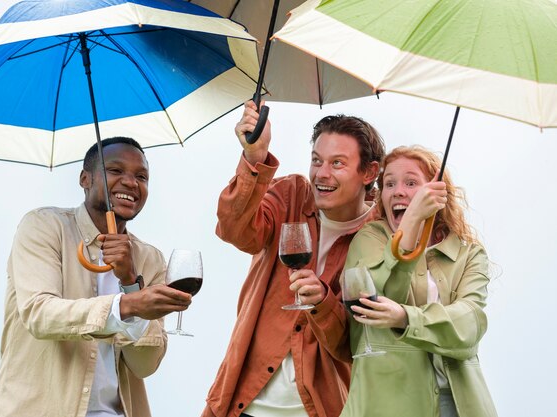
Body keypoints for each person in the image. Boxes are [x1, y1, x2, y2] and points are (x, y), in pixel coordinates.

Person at [202, 101, 386, 417]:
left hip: (322, 409)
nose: (322, 174)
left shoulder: (378, 239)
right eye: (317, 160)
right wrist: (254, 157)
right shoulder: (291, 194)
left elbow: (352, 343)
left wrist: (322, 302)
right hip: (243, 404)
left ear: (369, 171)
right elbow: (235, 230)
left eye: (338, 163)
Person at [0, 137, 192, 417]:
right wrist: (127, 306)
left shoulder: (150, 258)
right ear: (85, 179)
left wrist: (131, 282)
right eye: (116, 170)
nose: (131, 183)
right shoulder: (43, 227)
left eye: (141, 176)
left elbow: (145, 365)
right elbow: (39, 314)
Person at [338, 146, 498, 417]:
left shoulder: (468, 253)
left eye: (411, 183)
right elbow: (376, 296)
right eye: (389, 183)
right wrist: (411, 220)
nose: (398, 191)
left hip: (460, 406)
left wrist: (405, 318)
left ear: (437, 192)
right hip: (384, 405)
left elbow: (469, 325)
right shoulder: (370, 239)